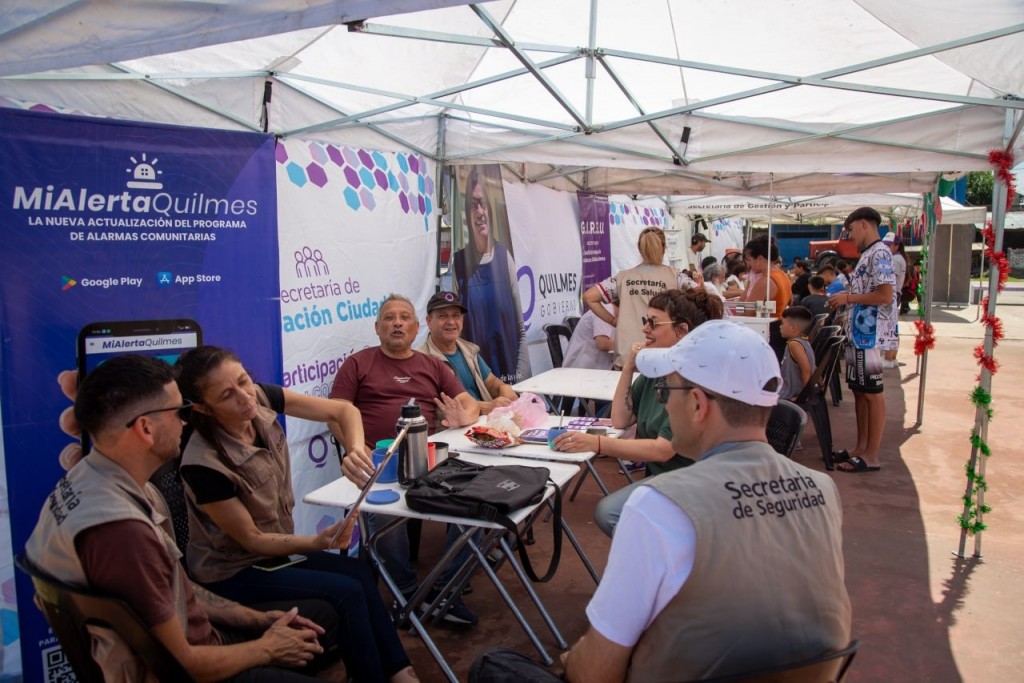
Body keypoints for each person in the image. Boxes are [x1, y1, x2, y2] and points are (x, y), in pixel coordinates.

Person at [558, 321, 851, 682]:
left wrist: (571, 659)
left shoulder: (659, 505)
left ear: (697, 404)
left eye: (665, 390)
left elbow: (594, 674)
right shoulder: (822, 488)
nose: (663, 404)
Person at [27, 355, 341, 682]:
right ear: (145, 428)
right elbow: (180, 664)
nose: (186, 422)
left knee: (325, 616)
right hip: (190, 668)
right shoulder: (123, 532)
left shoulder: (89, 480)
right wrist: (268, 648)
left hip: (201, 642)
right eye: (180, 412)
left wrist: (255, 620)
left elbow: (177, 589)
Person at [175, 346, 417, 683]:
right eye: (227, 395)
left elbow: (344, 411)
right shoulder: (204, 463)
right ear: (202, 406)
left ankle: (399, 670)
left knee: (358, 572)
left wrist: (354, 448)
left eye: (244, 381)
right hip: (233, 571)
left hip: (274, 555)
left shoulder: (261, 397)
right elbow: (252, 539)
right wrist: (317, 541)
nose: (246, 398)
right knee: (345, 592)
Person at [330, 293, 480, 625]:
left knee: (482, 509)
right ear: (377, 327)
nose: (397, 323)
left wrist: (462, 418)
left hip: (429, 461)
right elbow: (334, 415)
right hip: (377, 464)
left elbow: (468, 403)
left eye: (404, 317)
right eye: (389, 318)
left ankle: (444, 590)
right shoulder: (358, 363)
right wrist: (357, 450)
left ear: (416, 328)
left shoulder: (432, 366)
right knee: (384, 519)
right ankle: (408, 595)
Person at [553, 289, 724, 536]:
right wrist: (629, 366)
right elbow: (620, 418)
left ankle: (671, 563)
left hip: (692, 483)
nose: (645, 329)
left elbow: (663, 450)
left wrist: (597, 444)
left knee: (609, 513)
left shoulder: (691, 380)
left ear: (682, 330)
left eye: (653, 323)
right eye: (646, 321)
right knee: (612, 514)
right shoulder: (657, 370)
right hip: (667, 479)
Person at [828, 207, 895, 474]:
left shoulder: (879, 253)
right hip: (859, 335)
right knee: (859, 390)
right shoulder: (869, 254)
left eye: (851, 230)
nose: (850, 236)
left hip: (869, 336)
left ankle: (872, 454)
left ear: (864, 224)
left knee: (872, 394)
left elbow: (885, 295)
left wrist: (849, 298)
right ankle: (861, 448)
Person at [453, 168, 530, 383]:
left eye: (483, 203)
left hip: (511, 377)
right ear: (467, 214)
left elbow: (520, 331)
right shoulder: (459, 265)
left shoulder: (505, 259)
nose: (480, 211)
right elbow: (457, 336)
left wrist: (520, 382)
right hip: (477, 380)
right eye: (473, 204)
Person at [583, 227, 698, 369]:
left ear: (639, 248)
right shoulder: (676, 277)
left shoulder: (623, 277)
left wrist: (613, 321)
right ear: (664, 248)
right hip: (662, 358)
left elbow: (589, 297)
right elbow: (701, 297)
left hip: (626, 357)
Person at [418, 290, 518, 414]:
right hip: (453, 429)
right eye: (443, 316)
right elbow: (440, 407)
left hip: (485, 422)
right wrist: (488, 407)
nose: (451, 322)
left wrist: (503, 387)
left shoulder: (468, 349)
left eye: (456, 316)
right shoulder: (420, 360)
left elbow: (491, 382)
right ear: (429, 321)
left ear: (462, 320)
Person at [741, 234, 792, 318]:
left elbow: (747, 311)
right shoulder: (783, 275)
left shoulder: (765, 281)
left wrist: (737, 306)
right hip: (778, 322)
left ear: (760, 259)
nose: (748, 264)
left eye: (749, 260)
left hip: (766, 327)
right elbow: (790, 300)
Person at [562, 302, 616, 371]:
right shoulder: (606, 310)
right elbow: (602, 344)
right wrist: (630, 347)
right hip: (580, 372)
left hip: (598, 372)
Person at [779, 306, 817, 400]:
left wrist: (804, 396)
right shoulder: (804, 341)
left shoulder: (794, 345)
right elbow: (814, 367)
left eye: (782, 323)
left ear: (792, 327)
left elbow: (806, 370)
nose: (780, 327)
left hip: (789, 392)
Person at [882, 232, 907, 368]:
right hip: (893, 294)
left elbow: (890, 279)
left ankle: (888, 358)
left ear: (897, 246)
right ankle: (891, 358)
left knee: (889, 328)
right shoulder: (897, 258)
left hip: (891, 295)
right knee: (892, 327)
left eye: (889, 245)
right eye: (884, 245)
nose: (886, 247)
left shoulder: (895, 260)